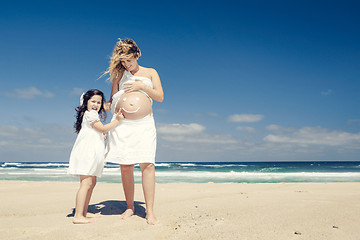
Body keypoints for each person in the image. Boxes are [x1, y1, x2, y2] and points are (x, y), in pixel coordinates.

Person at [104, 39, 164, 225]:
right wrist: (94, 109)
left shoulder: (151, 72)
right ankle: (130, 207)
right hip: (123, 125)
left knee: (148, 165)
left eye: (129, 60)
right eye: (123, 61)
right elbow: (113, 99)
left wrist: (142, 87)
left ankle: (150, 212)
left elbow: (160, 97)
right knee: (126, 165)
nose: (126, 64)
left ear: (137, 55)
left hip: (144, 124)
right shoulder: (119, 75)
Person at [68, 89, 124, 224]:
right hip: (87, 153)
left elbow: (97, 131)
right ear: (86, 102)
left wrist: (101, 135)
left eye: (99, 102)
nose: (96, 104)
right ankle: (78, 216)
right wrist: (117, 120)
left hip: (93, 153)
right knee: (86, 183)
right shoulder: (91, 114)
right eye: (93, 101)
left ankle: (84, 211)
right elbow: (103, 128)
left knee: (92, 182)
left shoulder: (92, 115)